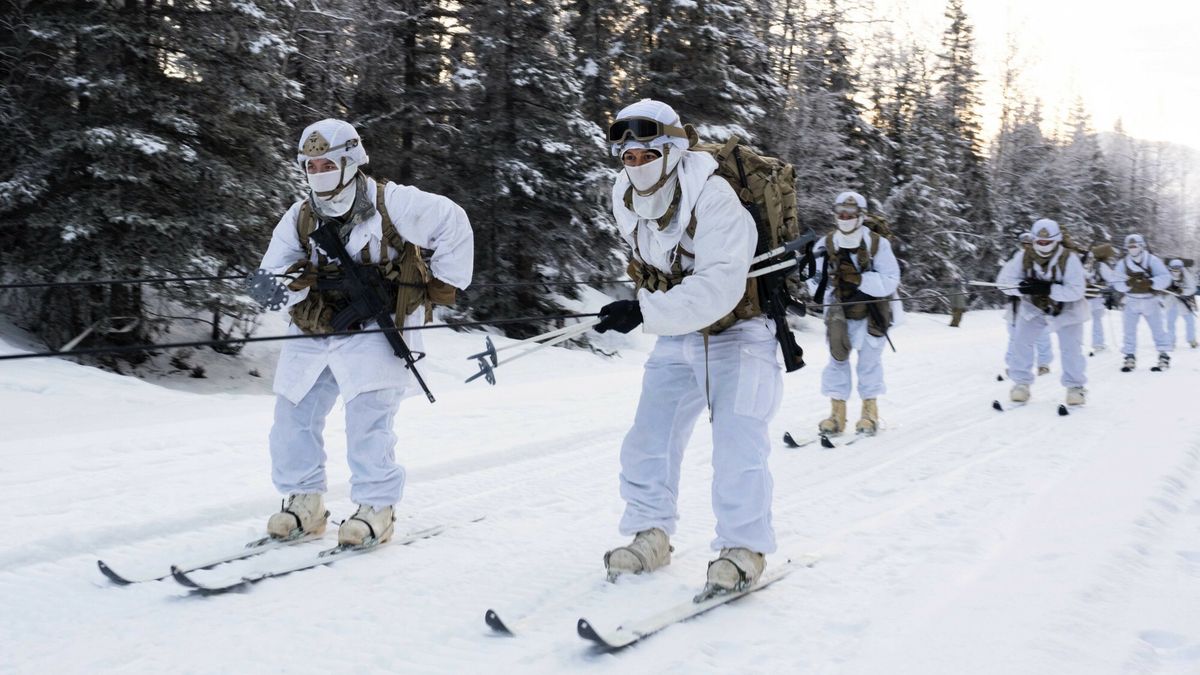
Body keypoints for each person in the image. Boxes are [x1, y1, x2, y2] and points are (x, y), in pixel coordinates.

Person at [257, 119, 473, 545]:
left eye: (327, 164)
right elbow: (270, 276)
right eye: (311, 166)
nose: (319, 173)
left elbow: (453, 220)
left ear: (350, 161)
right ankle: (303, 501)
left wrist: (443, 280)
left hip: (377, 323)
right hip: (314, 325)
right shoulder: (300, 216)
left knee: (368, 417)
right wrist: (287, 285)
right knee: (292, 414)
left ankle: (376, 507)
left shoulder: (393, 202)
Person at [596, 99, 781, 595]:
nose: (637, 165)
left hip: (739, 329)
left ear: (672, 150)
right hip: (678, 331)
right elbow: (658, 265)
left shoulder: (714, 196)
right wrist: (640, 305)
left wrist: (645, 312)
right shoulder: (625, 196)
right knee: (649, 437)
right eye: (629, 157)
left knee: (738, 440)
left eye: (647, 155)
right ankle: (650, 533)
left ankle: (743, 549)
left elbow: (720, 284)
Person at [810, 192, 901, 435]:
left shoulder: (877, 244)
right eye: (841, 212)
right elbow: (813, 280)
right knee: (837, 360)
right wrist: (829, 283)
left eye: (850, 212)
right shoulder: (826, 243)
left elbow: (890, 279)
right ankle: (836, 415)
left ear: (860, 215)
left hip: (872, 312)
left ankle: (869, 414)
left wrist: (860, 280)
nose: (845, 216)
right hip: (839, 312)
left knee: (869, 363)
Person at [996, 219, 1088, 405]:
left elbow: (1077, 290)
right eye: (1040, 241)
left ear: (1057, 240)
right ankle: (1021, 384)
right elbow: (1004, 282)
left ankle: (1075, 387)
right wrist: (1020, 287)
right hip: (1034, 306)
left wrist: (1048, 289)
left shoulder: (1069, 258)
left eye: (1048, 242)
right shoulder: (1023, 256)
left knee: (1071, 348)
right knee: (1021, 342)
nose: (1043, 245)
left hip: (1067, 309)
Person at [1112, 234, 1172, 371]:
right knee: (1129, 331)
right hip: (1131, 301)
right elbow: (1116, 282)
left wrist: (1151, 282)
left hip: (1150, 300)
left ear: (1141, 246)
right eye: (1130, 246)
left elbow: (1165, 277)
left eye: (1135, 246)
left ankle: (1163, 355)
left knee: (1158, 329)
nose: (1133, 248)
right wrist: (1127, 284)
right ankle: (1129, 356)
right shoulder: (1123, 263)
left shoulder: (1152, 260)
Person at [1002, 233, 1053, 375]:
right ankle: (1013, 364)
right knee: (1015, 337)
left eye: (1030, 244)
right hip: (1017, 306)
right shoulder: (1014, 261)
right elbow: (1003, 284)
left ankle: (1043, 364)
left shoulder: (1045, 259)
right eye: (1024, 244)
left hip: (1040, 304)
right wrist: (1019, 288)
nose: (1027, 246)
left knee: (1042, 335)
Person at [1084, 244, 1118, 353]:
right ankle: (1098, 344)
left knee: (1088, 321)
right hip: (1097, 297)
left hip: (1087, 296)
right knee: (1097, 320)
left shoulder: (1091, 264)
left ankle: (1092, 343)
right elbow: (1111, 279)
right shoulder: (1102, 265)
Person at [1164, 258, 1198, 349]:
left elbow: (1192, 288)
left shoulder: (1186, 275)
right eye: (1174, 269)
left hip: (1183, 302)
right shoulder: (1166, 275)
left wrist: (1183, 291)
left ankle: (1192, 340)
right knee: (1170, 322)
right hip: (1171, 302)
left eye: (1178, 269)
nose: (1176, 271)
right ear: (1170, 268)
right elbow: (1161, 286)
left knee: (1190, 321)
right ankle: (1171, 341)